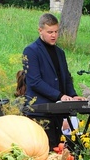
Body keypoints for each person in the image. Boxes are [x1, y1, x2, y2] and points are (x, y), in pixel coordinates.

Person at [22, 13, 84, 149]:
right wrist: (60, 96)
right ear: (40, 30)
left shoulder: (60, 52)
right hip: (40, 112)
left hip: (59, 111)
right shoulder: (31, 51)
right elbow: (35, 82)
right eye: (50, 32)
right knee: (46, 150)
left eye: (56, 32)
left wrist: (72, 96)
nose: (54, 35)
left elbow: (66, 78)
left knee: (66, 149)